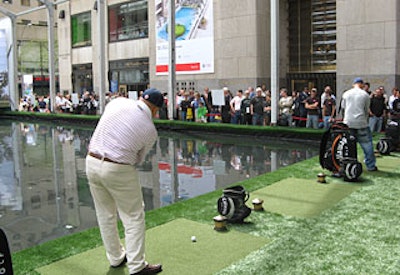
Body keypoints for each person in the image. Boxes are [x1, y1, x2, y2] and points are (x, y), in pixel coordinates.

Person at [85, 88, 163, 275]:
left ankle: (116, 257)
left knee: (105, 214)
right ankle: (137, 266)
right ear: (155, 110)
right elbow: (138, 160)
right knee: (133, 216)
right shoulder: (150, 130)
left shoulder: (118, 102)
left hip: (91, 161)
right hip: (118, 167)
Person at [342, 77, 378, 171]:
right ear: (361, 84)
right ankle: (370, 166)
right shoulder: (365, 94)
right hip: (361, 122)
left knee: (349, 145)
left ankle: (350, 164)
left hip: (348, 123)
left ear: (354, 84)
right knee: (367, 144)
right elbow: (366, 110)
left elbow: (343, 107)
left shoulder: (346, 94)